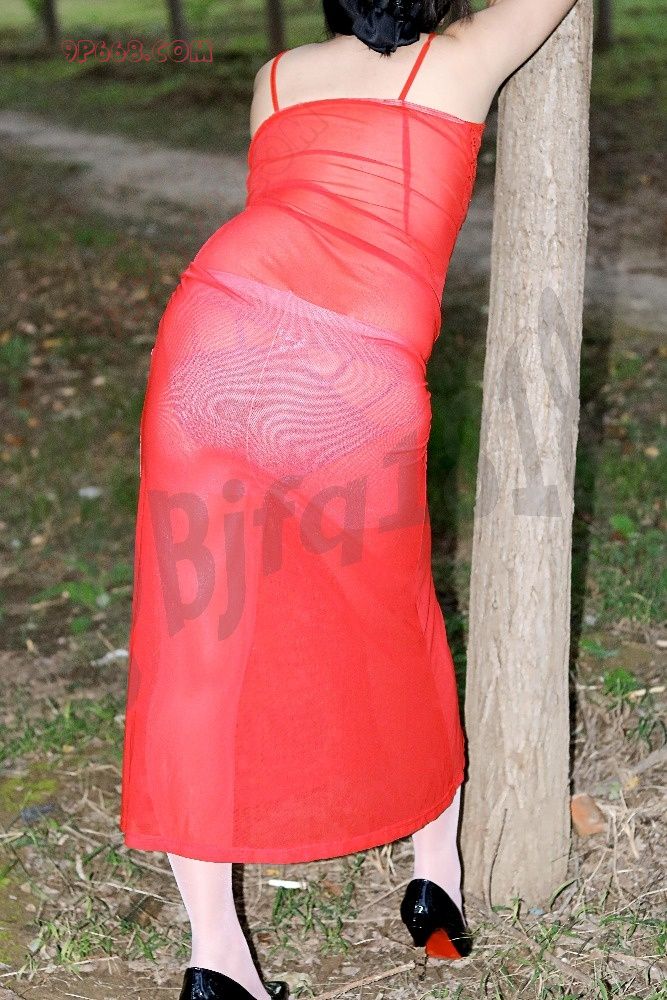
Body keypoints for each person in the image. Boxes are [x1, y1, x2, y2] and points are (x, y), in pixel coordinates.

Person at [117, 0, 579, 997]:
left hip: (209, 340)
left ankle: (215, 958)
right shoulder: (460, 60)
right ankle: (435, 880)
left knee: (198, 638)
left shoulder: (277, 77)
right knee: (394, 623)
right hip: (348, 383)